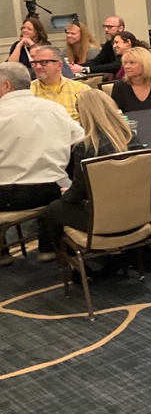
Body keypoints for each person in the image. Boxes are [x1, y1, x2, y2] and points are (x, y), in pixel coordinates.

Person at [36, 90, 142, 260]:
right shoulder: (132, 138)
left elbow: (79, 191)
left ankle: (57, 255)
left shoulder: (86, 147)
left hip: (104, 220)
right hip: (139, 215)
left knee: (54, 208)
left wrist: (67, 194)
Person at [0, 63, 83, 264]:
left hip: (7, 196)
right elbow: (82, 141)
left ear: (7, 85)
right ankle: (48, 245)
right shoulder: (54, 109)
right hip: (53, 191)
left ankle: (2, 252)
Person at [29, 46, 90, 121]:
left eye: (43, 62)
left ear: (59, 65)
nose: (38, 67)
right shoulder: (28, 91)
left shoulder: (81, 89)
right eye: (35, 63)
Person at [111, 47, 151, 113]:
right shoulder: (120, 86)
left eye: (132, 63)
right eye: (125, 63)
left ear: (145, 64)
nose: (126, 66)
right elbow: (116, 115)